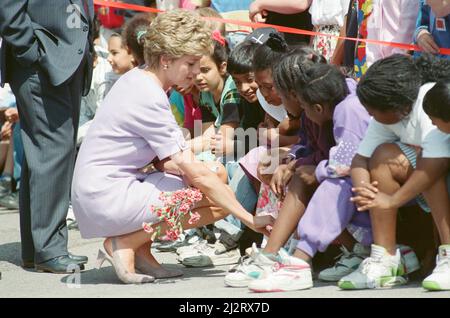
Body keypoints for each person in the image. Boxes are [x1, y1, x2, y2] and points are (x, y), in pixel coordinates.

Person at [71, 10, 266, 284]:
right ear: (165, 60)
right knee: (214, 193)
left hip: (103, 190)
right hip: (107, 196)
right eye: (190, 63)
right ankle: (125, 242)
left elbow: (164, 161)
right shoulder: (150, 95)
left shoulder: (141, 79)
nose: (197, 71)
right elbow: (194, 174)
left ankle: (141, 251)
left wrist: (196, 166)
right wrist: (249, 219)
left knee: (215, 176)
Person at [247, 63, 372, 293]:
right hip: (362, 185)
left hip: (369, 189)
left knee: (331, 184)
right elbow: (309, 145)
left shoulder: (347, 110)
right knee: (304, 177)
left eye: (304, 106)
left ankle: (299, 262)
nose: (301, 111)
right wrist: (298, 163)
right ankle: (279, 256)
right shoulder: (335, 105)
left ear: (316, 106)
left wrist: (317, 171)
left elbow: (345, 163)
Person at [340, 54, 450, 290]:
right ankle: (386, 259)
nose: (370, 117)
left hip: (441, 172)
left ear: (396, 106)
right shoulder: (388, 116)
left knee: (427, 163)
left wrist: (392, 200)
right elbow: (360, 158)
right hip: (428, 172)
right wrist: (363, 188)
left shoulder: (427, 98)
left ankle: (448, 254)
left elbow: (437, 163)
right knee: (383, 156)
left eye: (372, 111)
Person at [0, 0, 93, 273]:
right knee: (53, 151)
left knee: (44, 155)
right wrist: (30, 51)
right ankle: (49, 249)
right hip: (42, 59)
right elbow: (8, 9)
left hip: (63, 58)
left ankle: (37, 249)